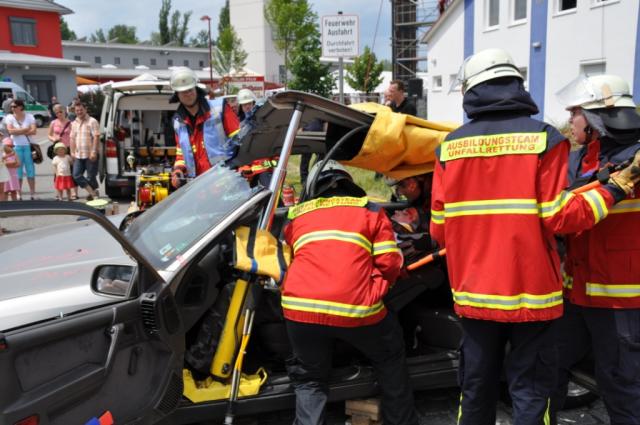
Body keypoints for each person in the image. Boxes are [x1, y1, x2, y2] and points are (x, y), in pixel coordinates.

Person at [429, 48, 640, 424]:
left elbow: (438, 229)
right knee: (530, 390)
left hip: (475, 295)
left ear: (471, 91)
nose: (571, 118)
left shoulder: (449, 147)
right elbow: (560, 217)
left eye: (577, 112)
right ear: (516, 85)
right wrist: (614, 189)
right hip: (533, 295)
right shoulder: (544, 139)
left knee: (475, 387)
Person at [281, 160, 419, 425]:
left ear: (313, 188)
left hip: (300, 311)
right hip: (357, 310)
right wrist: (377, 287)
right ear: (349, 183)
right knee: (389, 357)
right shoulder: (370, 211)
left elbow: (289, 256)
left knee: (310, 379)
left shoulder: (297, 216)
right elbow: (389, 263)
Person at [550, 74, 640, 424]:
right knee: (550, 366)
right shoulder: (579, 160)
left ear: (596, 118)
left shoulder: (635, 158)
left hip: (620, 300)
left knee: (621, 385)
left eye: (575, 112)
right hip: (576, 292)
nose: (570, 119)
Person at [169, 67, 240, 188]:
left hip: (225, 183)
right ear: (177, 95)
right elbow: (181, 154)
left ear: (196, 89)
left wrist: (238, 168)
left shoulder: (219, 109)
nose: (188, 94)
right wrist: (178, 170)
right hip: (197, 187)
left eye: (190, 89)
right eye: (183, 91)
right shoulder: (178, 123)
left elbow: (241, 142)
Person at [4, 99, 37, 199]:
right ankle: (19, 193)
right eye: (11, 107)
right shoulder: (9, 117)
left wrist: (17, 131)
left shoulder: (30, 116)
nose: (12, 108)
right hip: (15, 146)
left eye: (14, 106)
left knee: (30, 170)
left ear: (21, 107)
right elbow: (10, 131)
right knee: (18, 171)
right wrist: (26, 129)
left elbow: (34, 131)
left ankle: (32, 193)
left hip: (28, 146)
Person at [70, 101, 100, 200]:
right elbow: (72, 138)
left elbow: (96, 137)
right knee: (76, 175)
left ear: (85, 109)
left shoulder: (92, 121)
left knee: (91, 176)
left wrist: (94, 151)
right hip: (78, 154)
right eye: (77, 110)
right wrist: (72, 152)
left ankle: (93, 194)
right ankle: (93, 193)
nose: (79, 112)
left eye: (81, 110)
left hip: (90, 154)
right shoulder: (74, 123)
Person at [48, 103, 77, 199]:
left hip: (68, 148)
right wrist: (54, 139)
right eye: (56, 113)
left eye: (60, 112)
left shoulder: (71, 123)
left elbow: (74, 136)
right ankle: (58, 192)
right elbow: (49, 135)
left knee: (71, 170)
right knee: (58, 170)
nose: (59, 114)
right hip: (57, 149)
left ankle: (73, 192)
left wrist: (74, 149)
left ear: (65, 111)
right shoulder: (53, 123)